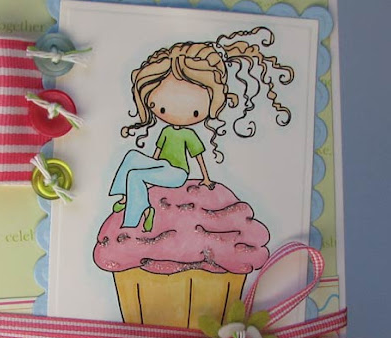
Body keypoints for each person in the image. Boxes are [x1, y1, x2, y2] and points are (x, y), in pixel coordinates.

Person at [109, 27, 294, 231]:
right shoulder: (166, 132)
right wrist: (150, 166)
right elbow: (157, 153)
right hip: (162, 166)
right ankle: (125, 196)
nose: (174, 111)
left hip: (177, 173)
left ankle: (139, 215)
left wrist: (206, 179)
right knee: (132, 157)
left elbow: (198, 157)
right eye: (161, 107)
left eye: (195, 110)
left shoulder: (189, 134)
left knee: (136, 176)